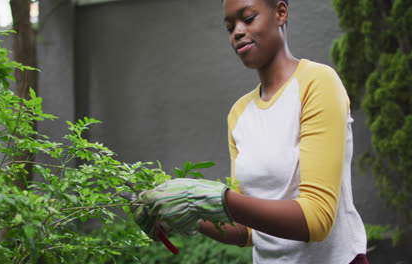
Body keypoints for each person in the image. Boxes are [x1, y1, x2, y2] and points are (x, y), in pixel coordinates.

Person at [131, 0, 368, 263]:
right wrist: (187, 214)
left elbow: (317, 220)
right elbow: (249, 231)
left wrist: (204, 197)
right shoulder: (239, 114)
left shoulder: (317, 83)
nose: (237, 32)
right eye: (230, 27)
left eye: (248, 18)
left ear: (280, 13)